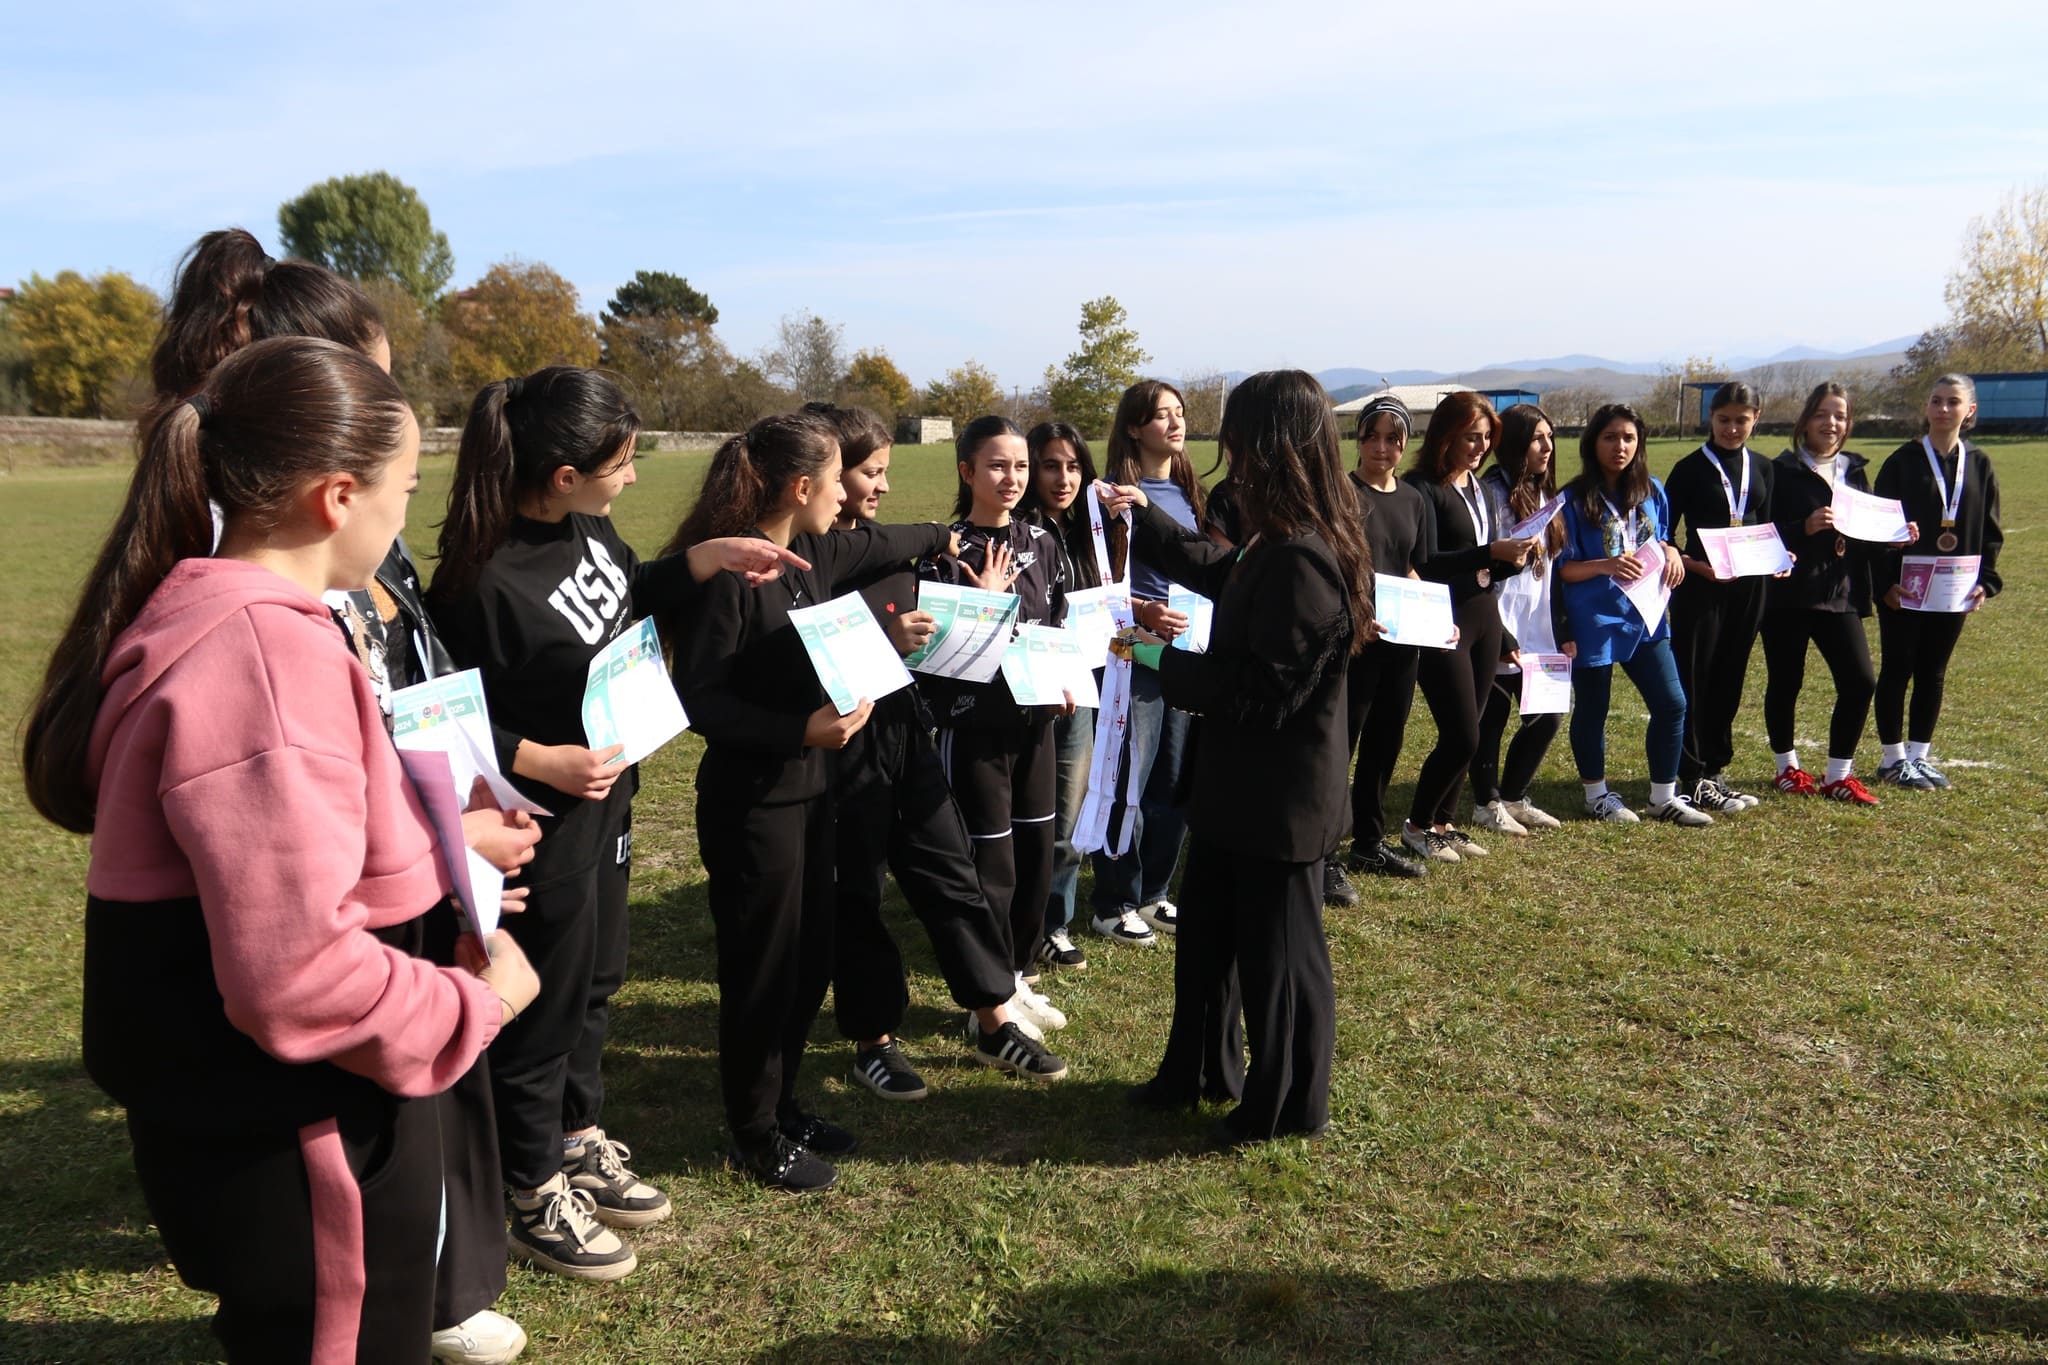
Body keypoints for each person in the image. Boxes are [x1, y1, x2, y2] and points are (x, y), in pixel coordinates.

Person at [21, 336, 541, 1363]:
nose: (404, 517)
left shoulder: (221, 614)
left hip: (276, 1130)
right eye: (405, 490)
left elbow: (288, 861)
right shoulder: (264, 657)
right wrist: (475, 1005)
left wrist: (435, 866)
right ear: (337, 497)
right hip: (306, 1139)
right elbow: (296, 976)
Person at [430, 367, 802, 1276]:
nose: (633, 477)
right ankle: (529, 1189)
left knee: (597, 980)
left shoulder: (588, 528)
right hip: (540, 822)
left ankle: (576, 1135)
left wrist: (704, 561)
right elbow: (437, 715)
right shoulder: (481, 581)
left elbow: (629, 587)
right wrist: (538, 759)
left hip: (611, 802)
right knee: (545, 1004)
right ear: (564, 475)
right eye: (622, 463)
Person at [669, 411, 964, 1193]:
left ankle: (784, 1105)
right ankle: (755, 1132)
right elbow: (700, 700)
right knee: (762, 970)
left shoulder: (809, 558)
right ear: (802, 488)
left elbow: (883, 547)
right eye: (839, 480)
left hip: (813, 793)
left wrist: (944, 539)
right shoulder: (733, 576)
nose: (848, 496)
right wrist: (797, 729)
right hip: (753, 806)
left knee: (806, 963)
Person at [1102, 369, 1371, 1142]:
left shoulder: (1304, 556)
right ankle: (1197, 1071)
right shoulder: (1275, 539)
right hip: (1235, 792)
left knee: (1278, 960)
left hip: (1278, 803)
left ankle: (1283, 1106)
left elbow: (1259, 692)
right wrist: (1144, 517)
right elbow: (1225, 571)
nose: (1228, 447)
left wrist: (1158, 657)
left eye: (1240, 433)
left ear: (1274, 443)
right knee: (1207, 943)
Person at [812, 404, 1066, 1101]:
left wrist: (980, 610)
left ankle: (992, 1018)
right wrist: (886, 642)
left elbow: (942, 658)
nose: (881, 486)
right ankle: (874, 1040)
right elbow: (805, 660)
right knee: (859, 892)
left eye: (882, 471)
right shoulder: (808, 561)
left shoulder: (888, 546)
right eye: (868, 473)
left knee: (954, 875)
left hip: (905, 736)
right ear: (821, 475)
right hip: (845, 748)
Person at [918, 415, 1075, 1033]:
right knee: (992, 864)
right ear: (967, 471)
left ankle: (1020, 974)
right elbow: (936, 661)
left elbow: (1055, 624)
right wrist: (984, 603)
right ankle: (987, 996)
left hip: (1035, 725)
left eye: (1020, 466)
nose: (1012, 478)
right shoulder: (943, 551)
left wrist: (1062, 679)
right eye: (997, 466)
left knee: (1036, 853)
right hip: (975, 730)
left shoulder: (1043, 541)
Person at [1554, 403, 1712, 826]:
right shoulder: (1571, 499)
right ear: (1593, 443)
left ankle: (1663, 797)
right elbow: (1563, 569)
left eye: (1628, 438)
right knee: (1594, 709)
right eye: (1610, 437)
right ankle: (1596, 796)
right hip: (1594, 619)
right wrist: (1605, 565)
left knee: (1672, 703)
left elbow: (1662, 537)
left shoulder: (1652, 490)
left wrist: (1672, 552)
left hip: (1646, 615)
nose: (1619, 446)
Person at [1401, 393, 1539, 863]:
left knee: (1473, 727)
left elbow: (1481, 567)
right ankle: (1417, 825)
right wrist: (1489, 553)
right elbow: (1426, 562)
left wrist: (1513, 561)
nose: (1480, 447)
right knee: (1463, 734)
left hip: (1484, 616)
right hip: (1443, 621)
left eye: (1486, 438)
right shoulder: (1421, 487)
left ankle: (1444, 823)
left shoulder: (1476, 485)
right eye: (1470, 437)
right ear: (1445, 436)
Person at [1089, 380, 1203, 945]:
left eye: (1179, 413)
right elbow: (1098, 579)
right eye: (1162, 415)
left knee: (1174, 777)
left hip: (1186, 651)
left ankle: (1155, 892)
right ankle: (1113, 902)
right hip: (1131, 651)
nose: (1175, 423)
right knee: (1127, 776)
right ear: (1135, 427)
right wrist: (1143, 613)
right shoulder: (1110, 496)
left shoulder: (1189, 492)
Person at [1871, 373, 2004, 789]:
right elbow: (1878, 529)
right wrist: (1884, 584)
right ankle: (1892, 760)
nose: (1943, 409)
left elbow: (1990, 530)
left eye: (1952, 401)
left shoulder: (1979, 463)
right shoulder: (1902, 461)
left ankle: (1919, 756)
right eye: (1936, 400)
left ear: (1970, 410)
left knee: (1934, 671)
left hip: (1953, 591)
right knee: (1897, 668)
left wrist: (1986, 581)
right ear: (1926, 407)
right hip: (1904, 589)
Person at [1760, 382, 1883, 804]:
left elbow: (1866, 531)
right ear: (1806, 421)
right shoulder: (1780, 470)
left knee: (1860, 681)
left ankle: (1838, 776)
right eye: (1822, 414)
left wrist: (1895, 537)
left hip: (1839, 592)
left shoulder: (1854, 470)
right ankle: (1787, 768)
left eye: (1840, 416)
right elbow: (1761, 531)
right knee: (1786, 681)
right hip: (1788, 595)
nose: (1831, 423)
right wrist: (1803, 527)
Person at [1336, 394, 1433, 885]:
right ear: (1357, 440)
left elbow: (1411, 566)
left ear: (1405, 443)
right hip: (1352, 640)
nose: (1381, 447)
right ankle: (1324, 852)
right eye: (1371, 436)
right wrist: (1355, 615)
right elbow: (1330, 565)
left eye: (1392, 439)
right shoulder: (1341, 493)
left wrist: (1434, 615)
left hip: (1400, 642)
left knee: (1385, 741)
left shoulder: (1414, 500)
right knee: (1341, 745)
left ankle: (1368, 844)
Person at [1665, 381, 1774, 814]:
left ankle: (1715, 769)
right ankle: (1690, 774)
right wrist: (1694, 566)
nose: (1731, 428)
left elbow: (1768, 525)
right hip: (1700, 587)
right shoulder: (1689, 468)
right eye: (1724, 419)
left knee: (1731, 676)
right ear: (1710, 418)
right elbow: (1663, 535)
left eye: (1741, 420)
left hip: (1749, 588)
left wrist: (1780, 557)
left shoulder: (1762, 467)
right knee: (1695, 677)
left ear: (1755, 418)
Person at [1020, 420, 1103, 967]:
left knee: (1068, 815)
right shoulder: (1016, 532)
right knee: (1026, 815)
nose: (1063, 478)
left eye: (1074, 467)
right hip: (1028, 695)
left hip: (1079, 692)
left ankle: (1053, 921)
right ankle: (1017, 924)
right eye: (1050, 465)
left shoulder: (1087, 533)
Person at [1471, 402, 1570, 837]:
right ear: (1513, 444)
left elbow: (1553, 572)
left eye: (1550, 437)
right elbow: (1481, 565)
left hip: (1538, 629)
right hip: (1499, 623)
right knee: (1491, 717)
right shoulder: (1491, 493)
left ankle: (1513, 797)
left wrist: (1562, 628)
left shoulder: (1545, 493)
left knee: (1548, 714)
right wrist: (1499, 630)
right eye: (1536, 439)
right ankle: (1486, 803)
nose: (1547, 447)